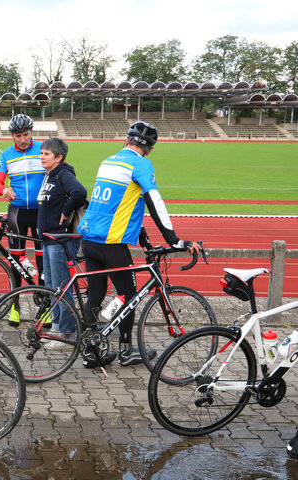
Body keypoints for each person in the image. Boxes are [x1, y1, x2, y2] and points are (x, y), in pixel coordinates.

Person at [77, 120, 201, 368]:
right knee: (128, 296)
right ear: (150, 149)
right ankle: (126, 351)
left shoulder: (108, 161)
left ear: (126, 141)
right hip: (112, 244)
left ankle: (91, 352)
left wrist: (143, 240)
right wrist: (174, 240)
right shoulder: (142, 164)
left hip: (89, 238)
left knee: (95, 294)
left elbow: (124, 205)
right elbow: (154, 202)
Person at [0, 113, 45, 326]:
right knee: (16, 261)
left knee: (43, 263)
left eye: (25, 134)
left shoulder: (43, 148)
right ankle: (15, 307)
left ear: (31, 132)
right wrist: (3, 189)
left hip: (42, 212)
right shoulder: (6, 155)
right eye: (18, 135)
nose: (22, 139)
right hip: (17, 214)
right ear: (12, 135)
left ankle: (45, 307)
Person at [35, 138, 86, 349]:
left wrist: (65, 212)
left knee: (61, 287)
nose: (42, 157)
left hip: (61, 240)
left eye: (46, 154)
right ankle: (56, 327)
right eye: (42, 153)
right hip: (48, 239)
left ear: (59, 157)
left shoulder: (64, 173)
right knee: (51, 286)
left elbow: (80, 193)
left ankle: (67, 333)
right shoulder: (50, 175)